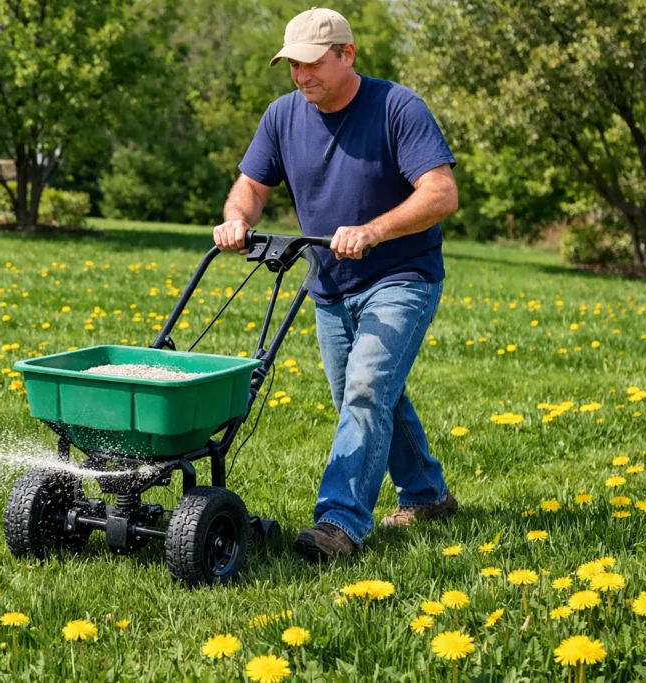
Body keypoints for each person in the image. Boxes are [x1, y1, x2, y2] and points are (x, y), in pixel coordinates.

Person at [213, 7, 460, 562]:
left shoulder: (398, 107)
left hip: (401, 276)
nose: (301, 77)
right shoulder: (283, 116)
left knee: (368, 389)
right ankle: (427, 494)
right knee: (365, 395)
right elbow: (250, 187)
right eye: (292, 66)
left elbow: (441, 193)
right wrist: (237, 218)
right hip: (330, 284)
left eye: (312, 64)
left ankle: (339, 523)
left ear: (347, 54)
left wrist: (374, 231)